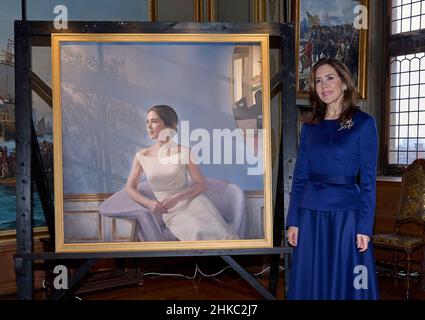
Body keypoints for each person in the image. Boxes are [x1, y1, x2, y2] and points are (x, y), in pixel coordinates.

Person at [286, 58, 379, 300]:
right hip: (310, 215)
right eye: (318, 80)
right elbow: (299, 177)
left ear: (345, 83)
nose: (323, 85)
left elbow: (369, 182)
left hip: (347, 216)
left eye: (329, 78)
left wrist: (365, 227)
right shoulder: (309, 127)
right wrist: (293, 220)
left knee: (350, 283)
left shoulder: (364, 124)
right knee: (311, 282)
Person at [124, 104, 239, 241]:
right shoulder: (142, 155)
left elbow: (200, 184)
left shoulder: (185, 152)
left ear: (168, 125)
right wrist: (148, 203)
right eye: (147, 121)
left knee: (219, 232)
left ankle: (223, 262)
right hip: (169, 210)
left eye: (154, 121)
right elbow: (129, 187)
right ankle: (208, 262)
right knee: (197, 230)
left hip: (193, 202)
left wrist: (177, 198)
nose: (149, 126)